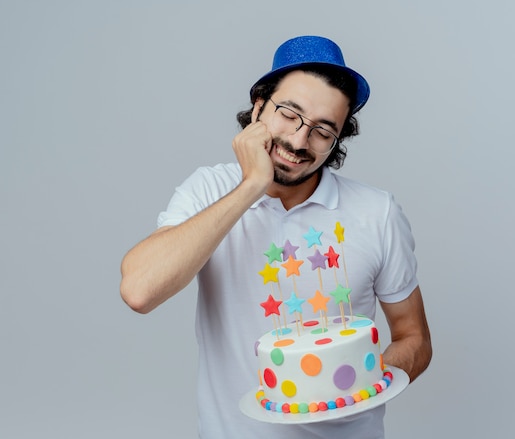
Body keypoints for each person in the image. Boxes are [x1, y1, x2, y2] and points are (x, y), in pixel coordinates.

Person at [120, 35, 432, 439]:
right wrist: (251, 185)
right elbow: (139, 291)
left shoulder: (378, 213)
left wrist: (364, 380)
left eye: (323, 131)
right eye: (289, 113)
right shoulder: (209, 190)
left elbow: (415, 338)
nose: (300, 141)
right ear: (259, 106)